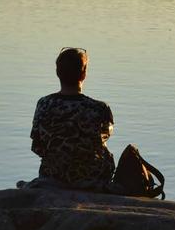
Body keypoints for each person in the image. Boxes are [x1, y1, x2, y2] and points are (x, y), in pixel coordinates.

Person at [28, 47, 116, 190]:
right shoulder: (99, 108)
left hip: (52, 176)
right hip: (92, 176)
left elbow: (37, 146)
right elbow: (102, 138)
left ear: (58, 73)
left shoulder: (44, 104)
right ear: (84, 74)